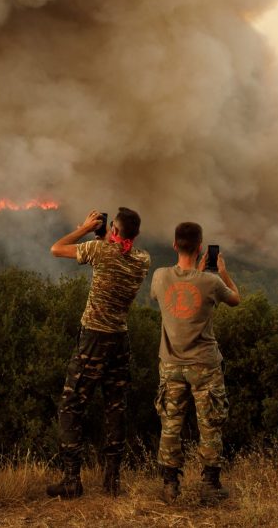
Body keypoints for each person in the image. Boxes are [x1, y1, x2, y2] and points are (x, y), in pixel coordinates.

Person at [46, 207, 151, 498]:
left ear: (114, 232)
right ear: (136, 235)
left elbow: (56, 249)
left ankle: (71, 481)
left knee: (70, 407)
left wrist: (84, 227)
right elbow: (121, 248)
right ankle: (111, 482)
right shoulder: (143, 260)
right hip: (120, 339)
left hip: (93, 337)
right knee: (115, 409)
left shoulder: (99, 251)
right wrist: (107, 234)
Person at [150, 222, 240, 503]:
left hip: (171, 364)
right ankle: (210, 486)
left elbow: (172, 296)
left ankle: (169, 485)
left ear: (175, 245)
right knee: (210, 424)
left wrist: (196, 275)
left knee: (170, 424)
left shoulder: (160, 277)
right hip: (204, 365)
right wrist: (222, 273)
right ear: (201, 247)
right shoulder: (212, 282)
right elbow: (235, 300)